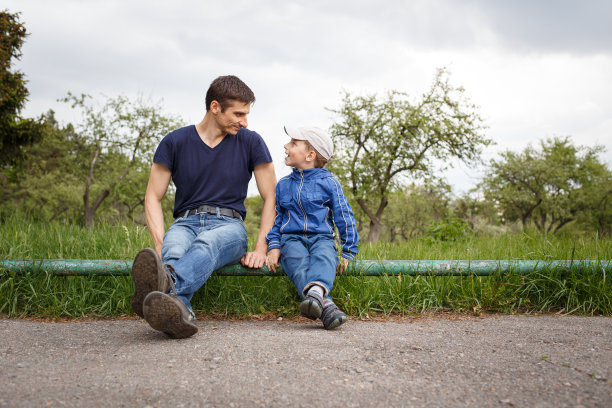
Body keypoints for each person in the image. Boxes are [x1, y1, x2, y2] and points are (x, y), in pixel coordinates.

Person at [131, 75, 276, 338]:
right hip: (185, 222)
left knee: (207, 242)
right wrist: (160, 242)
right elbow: (152, 196)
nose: (245, 121)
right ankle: (181, 314)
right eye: (239, 113)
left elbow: (272, 197)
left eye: (247, 114)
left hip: (229, 227)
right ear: (215, 107)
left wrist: (260, 247)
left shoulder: (251, 141)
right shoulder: (174, 141)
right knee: (173, 253)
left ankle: (164, 286)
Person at [265, 126, 359, 330]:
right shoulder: (283, 184)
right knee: (295, 261)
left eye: (293, 143)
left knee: (325, 256)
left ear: (310, 155)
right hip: (291, 238)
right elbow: (278, 219)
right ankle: (327, 305)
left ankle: (318, 297)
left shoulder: (329, 183)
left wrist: (348, 250)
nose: (286, 146)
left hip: (322, 236)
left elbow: (344, 215)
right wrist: (273, 245)